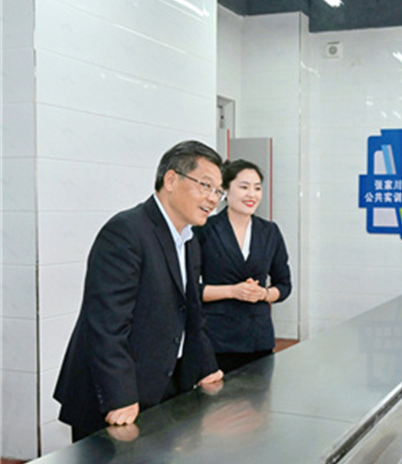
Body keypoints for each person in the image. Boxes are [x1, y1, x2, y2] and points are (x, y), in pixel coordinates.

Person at [54, 141, 226, 442]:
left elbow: (192, 313)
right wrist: (120, 397)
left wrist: (206, 367)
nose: (213, 199)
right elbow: (105, 325)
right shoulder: (126, 232)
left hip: (160, 387)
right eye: (206, 186)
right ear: (171, 180)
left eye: (218, 191)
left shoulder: (189, 240)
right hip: (112, 395)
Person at [195, 159, 292, 373]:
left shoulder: (270, 232)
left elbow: (284, 285)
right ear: (225, 190)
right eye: (244, 187)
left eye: (257, 188)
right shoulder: (204, 230)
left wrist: (263, 294)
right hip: (217, 340)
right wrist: (232, 291)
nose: (252, 194)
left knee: (260, 394)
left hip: (259, 340)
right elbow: (190, 289)